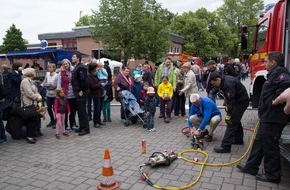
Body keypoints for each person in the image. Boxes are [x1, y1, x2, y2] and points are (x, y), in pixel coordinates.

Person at [237, 51, 290, 184]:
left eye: (266, 61)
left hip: (274, 117)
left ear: (273, 62)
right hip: (268, 116)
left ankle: (273, 175)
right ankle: (251, 166)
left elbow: (282, 97)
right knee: (259, 141)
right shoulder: (274, 74)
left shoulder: (283, 76)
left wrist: (271, 104)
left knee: (270, 145)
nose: (264, 64)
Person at [210, 72, 249, 153]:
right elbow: (218, 87)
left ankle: (225, 146)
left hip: (241, 102)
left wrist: (229, 114)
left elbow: (231, 101)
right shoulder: (222, 79)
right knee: (236, 120)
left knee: (231, 122)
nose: (214, 85)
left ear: (218, 79)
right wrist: (213, 91)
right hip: (238, 100)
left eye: (214, 83)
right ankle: (238, 140)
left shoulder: (228, 84)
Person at [20, 68, 42, 144]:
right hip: (28, 104)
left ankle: (30, 135)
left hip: (33, 104)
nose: (35, 72)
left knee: (34, 120)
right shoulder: (25, 81)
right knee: (32, 120)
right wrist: (37, 97)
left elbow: (36, 91)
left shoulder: (31, 81)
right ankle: (29, 136)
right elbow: (28, 93)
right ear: (30, 73)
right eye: (34, 71)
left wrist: (39, 96)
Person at [72, 53, 90, 136]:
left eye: (74, 57)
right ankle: (81, 127)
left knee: (82, 111)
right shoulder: (77, 67)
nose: (72, 58)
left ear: (78, 58)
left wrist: (81, 90)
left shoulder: (81, 67)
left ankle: (85, 129)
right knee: (79, 111)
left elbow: (84, 80)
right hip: (78, 91)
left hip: (81, 91)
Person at [57, 59, 77, 131]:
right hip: (65, 95)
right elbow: (59, 84)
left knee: (72, 111)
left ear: (69, 64)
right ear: (62, 65)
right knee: (64, 111)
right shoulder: (60, 73)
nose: (66, 65)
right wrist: (59, 94)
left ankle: (72, 125)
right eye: (64, 64)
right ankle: (65, 126)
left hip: (73, 94)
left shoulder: (73, 72)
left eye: (67, 64)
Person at [88, 60, 106, 128]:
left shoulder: (95, 75)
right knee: (96, 108)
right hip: (95, 94)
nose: (97, 69)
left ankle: (98, 120)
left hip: (99, 93)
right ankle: (96, 122)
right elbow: (92, 85)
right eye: (96, 68)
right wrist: (100, 85)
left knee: (99, 108)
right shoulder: (90, 76)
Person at [43, 63, 58, 127]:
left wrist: (48, 85)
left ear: (54, 68)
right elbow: (44, 84)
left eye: (50, 67)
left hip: (54, 94)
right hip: (48, 94)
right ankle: (52, 120)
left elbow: (55, 86)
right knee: (49, 108)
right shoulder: (47, 74)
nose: (49, 68)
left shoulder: (57, 75)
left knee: (55, 109)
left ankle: (56, 121)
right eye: (48, 67)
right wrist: (49, 85)